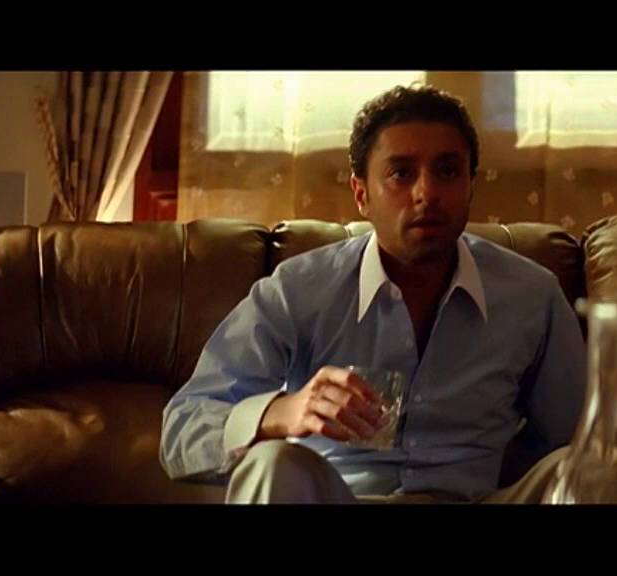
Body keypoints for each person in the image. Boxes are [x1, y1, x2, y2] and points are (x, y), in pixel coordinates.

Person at [159, 84, 585, 504]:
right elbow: (182, 429)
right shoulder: (298, 290)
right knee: (273, 464)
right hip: (342, 496)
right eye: (401, 173)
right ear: (362, 194)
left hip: (474, 498)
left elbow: (573, 434)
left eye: (447, 171)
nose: (426, 193)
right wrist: (281, 412)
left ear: (470, 185)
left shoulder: (532, 296)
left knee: (587, 465)